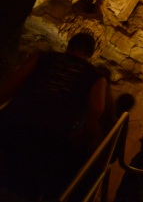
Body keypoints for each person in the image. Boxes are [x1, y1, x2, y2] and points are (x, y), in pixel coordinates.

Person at [0, 31, 108, 199]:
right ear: (90, 54)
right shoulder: (95, 75)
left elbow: (13, 83)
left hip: (19, 119)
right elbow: (97, 108)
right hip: (55, 134)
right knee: (30, 185)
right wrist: (80, 130)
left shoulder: (44, 58)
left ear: (69, 46)